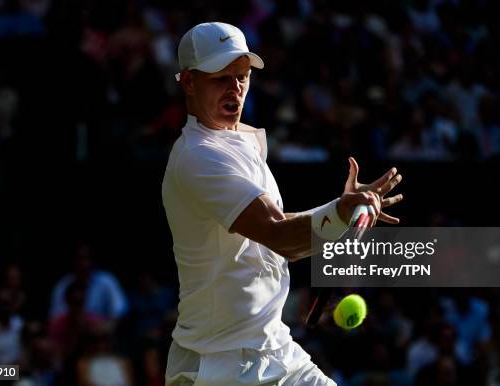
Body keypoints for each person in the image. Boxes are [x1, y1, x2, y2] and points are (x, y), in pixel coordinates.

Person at [162, 22, 403, 386]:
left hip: (272, 349)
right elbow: (279, 235)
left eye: (241, 77)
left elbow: (276, 226)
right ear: (188, 82)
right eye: (219, 78)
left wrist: (340, 210)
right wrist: (338, 213)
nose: (235, 89)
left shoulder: (241, 141)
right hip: (219, 366)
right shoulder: (199, 156)